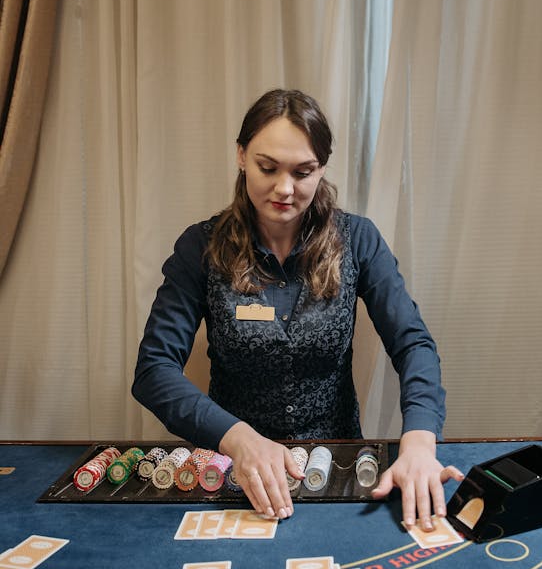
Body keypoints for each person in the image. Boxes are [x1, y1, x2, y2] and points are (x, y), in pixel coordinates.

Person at [132, 88, 462, 530]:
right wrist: (239, 439)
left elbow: (413, 343)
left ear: (321, 169)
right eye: (268, 167)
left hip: (341, 471)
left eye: (303, 172)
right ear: (242, 156)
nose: (284, 188)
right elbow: (154, 370)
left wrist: (420, 443)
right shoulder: (200, 247)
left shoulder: (358, 240)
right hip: (236, 472)